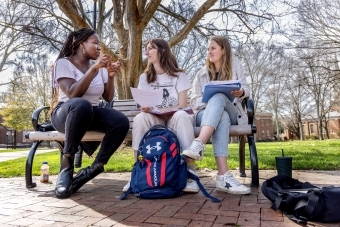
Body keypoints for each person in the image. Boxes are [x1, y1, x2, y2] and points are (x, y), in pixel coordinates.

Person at [51, 28, 130, 199]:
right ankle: (66, 166)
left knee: (121, 121)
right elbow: (72, 94)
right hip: (65, 114)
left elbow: (108, 97)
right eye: (95, 43)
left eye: (100, 44)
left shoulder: (100, 68)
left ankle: (92, 170)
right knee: (81, 104)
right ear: (81, 45)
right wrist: (94, 69)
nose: (99, 47)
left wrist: (110, 76)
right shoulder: (64, 63)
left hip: (89, 115)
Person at [122, 38, 198, 193]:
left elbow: (183, 104)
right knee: (140, 118)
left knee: (183, 116)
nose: (146, 52)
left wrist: (163, 110)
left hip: (174, 117)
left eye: (151, 48)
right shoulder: (145, 77)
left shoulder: (179, 76)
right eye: (146, 48)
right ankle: (138, 169)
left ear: (162, 51)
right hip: (155, 118)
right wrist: (145, 108)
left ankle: (190, 172)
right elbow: (145, 102)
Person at [183, 36, 251, 195]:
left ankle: (199, 144)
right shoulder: (201, 74)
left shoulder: (236, 66)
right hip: (204, 115)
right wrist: (210, 101)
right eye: (208, 49)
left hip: (232, 110)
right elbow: (193, 101)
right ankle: (223, 176)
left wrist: (240, 92)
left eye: (213, 48)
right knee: (221, 112)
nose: (209, 51)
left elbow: (246, 89)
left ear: (223, 50)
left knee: (220, 98)